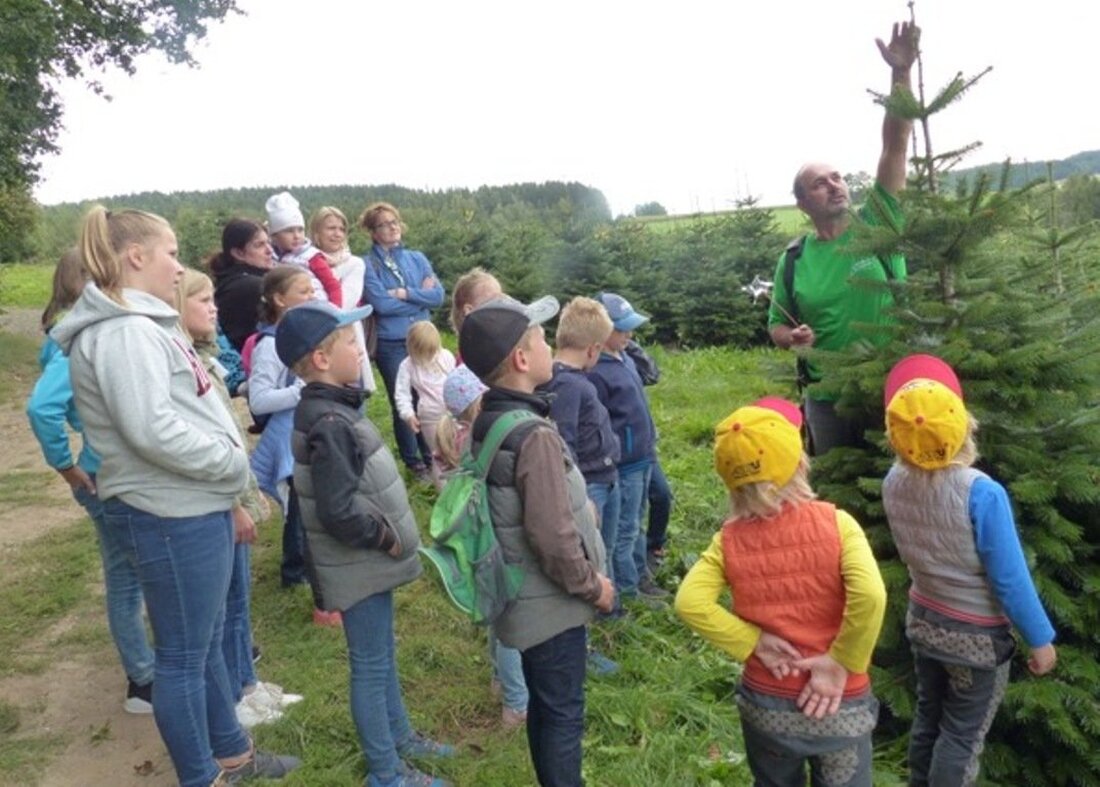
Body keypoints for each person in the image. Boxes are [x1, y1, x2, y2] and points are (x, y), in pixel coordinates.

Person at [51, 206, 300, 786]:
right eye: (171, 253)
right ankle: (200, 775)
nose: (180, 266)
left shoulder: (141, 325)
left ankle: (231, 753)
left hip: (189, 503)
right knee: (184, 657)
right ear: (136, 256)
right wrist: (229, 461)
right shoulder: (123, 333)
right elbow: (150, 428)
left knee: (203, 645)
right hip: (169, 512)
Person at [277, 300, 454, 787]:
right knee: (371, 665)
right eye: (350, 342)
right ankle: (386, 772)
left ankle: (402, 738)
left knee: (382, 654)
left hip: (367, 566)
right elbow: (336, 509)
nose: (361, 350)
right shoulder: (330, 424)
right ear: (321, 358)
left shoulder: (335, 408)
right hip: (360, 562)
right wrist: (384, 536)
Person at [675, 397, 886, 787]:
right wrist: (841, 660)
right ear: (800, 461)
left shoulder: (727, 541)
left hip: (768, 705)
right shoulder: (838, 524)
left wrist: (752, 641)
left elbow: (690, 602)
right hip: (839, 703)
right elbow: (871, 596)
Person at [459, 295, 615, 787]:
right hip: (552, 606)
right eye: (542, 339)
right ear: (522, 359)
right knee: (563, 714)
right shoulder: (534, 435)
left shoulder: (491, 418)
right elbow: (551, 538)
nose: (550, 347)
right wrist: (594, 586)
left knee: (546, 710)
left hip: (523, 600)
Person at [880, 354, 1057, 785]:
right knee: (961, 735)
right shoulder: (982, 493)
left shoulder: (892, 482)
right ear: (964, 427)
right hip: (975, 640)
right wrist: (1040, 639)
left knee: (928, 719)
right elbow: (1009, 578)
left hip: (924, 621)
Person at [768, 20, 919, 455]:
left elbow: (895, 145)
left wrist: (901, 73)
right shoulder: (793, 259)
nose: (834, 185)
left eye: (837, 177)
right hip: (826, 398)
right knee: (833, 485)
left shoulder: (879, 223)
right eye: (820, 183)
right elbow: (776, 324)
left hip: (889, 388)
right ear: (802, 203)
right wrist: (791, 338)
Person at [26, 248, 156, 715]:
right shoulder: (76, 340)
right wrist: (65, 466)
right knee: (132, 578)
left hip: (109, 469)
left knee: (129, 576)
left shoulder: (73, 333)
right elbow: (42, 408)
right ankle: (143, 679)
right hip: (107, 474)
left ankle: (145, 671)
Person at [177, 269, 304, 728]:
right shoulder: (181, 363)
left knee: (239, 598)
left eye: (214, 298)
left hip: (230, 493)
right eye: (203, 300)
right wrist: (233, 504)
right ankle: (234, 696)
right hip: (217, 500)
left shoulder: (205, 355)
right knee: (227, 606)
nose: (215, 308)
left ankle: (248, 683)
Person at [435, 365, 530, 729]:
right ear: (479, 401)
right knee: (511, 627)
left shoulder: (458, 437)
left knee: (496, 616)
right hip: (494, 540)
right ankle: (516, 704)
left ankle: (498, 680)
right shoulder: (483, 438)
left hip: (477, 543)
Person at [248, 267, 339, 625]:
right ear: (279, 299)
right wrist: (302, 389)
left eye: (313, 289)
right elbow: (259, 399)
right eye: (304, 291)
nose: (312, 295)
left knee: (306, 501)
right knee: (299, 507)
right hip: (288, 436)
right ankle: (294, 570)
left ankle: (301, 566)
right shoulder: (270, 346)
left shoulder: (301, 335)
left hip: (305, 429)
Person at [588, 292, 666, 601]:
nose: (629, 334)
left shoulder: (626, 358)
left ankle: (639, 576)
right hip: (627, 462)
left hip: (644, 455)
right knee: (625, 528)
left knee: (636, 522)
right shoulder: (597, 372)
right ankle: (628, 590)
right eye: (621, 329)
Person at [359, 201, 445, 477]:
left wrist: (404, 293)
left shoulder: (417, 258)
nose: (392, 227)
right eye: (384, 224)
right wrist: (419, 298)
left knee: (429, 394)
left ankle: (433, 452)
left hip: (424, 339)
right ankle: (413, 460)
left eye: (394, 221)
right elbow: (381, 305)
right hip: (393, 342)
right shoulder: (368, 264)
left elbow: (438, 296)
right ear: (373, 232)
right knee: (403, 398)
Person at [310, 205, 376, 391]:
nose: (337, 234)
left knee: (350, 392)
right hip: (314, 341)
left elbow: (343, 306)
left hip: (345, 338)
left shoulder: (354, 264)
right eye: (331, 228)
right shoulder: (304, 261)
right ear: (316, 232)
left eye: (341, 229)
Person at [622, 338, 674, 571]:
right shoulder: (596, 363)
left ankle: (653, 546)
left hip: (645, 447)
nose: (628, 334)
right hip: (626, 453)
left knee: (662, 496)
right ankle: (634, 566)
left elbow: (651, 374)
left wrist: (628, 344)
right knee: (633, 514)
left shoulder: (625, 358)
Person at [394, 321, 456, 488]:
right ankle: (444, 494)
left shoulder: (446, 356)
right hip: (430, 417)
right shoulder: (407, 366)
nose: (429, 356)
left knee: (456, 450)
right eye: (424, 353)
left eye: (432, 351)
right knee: (438, 455)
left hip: (453, 413)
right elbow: (402, 393)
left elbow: (456, 382)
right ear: (412, 349)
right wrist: (408, 414)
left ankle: (460, 488)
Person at [207, 218, 274, 352]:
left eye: (269, 243)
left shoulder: (229, 280)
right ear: (238, 253)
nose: (269, 250)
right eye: (259, 245)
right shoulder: (251, 286)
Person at [266, 190, 343, 305]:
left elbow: (332, 285)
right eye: (289, 231)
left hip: (317, 306)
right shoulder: (271, 258)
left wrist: (335, 310)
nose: (296, 236)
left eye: (300, 230)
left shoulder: (311, 256)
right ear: (274, 236)